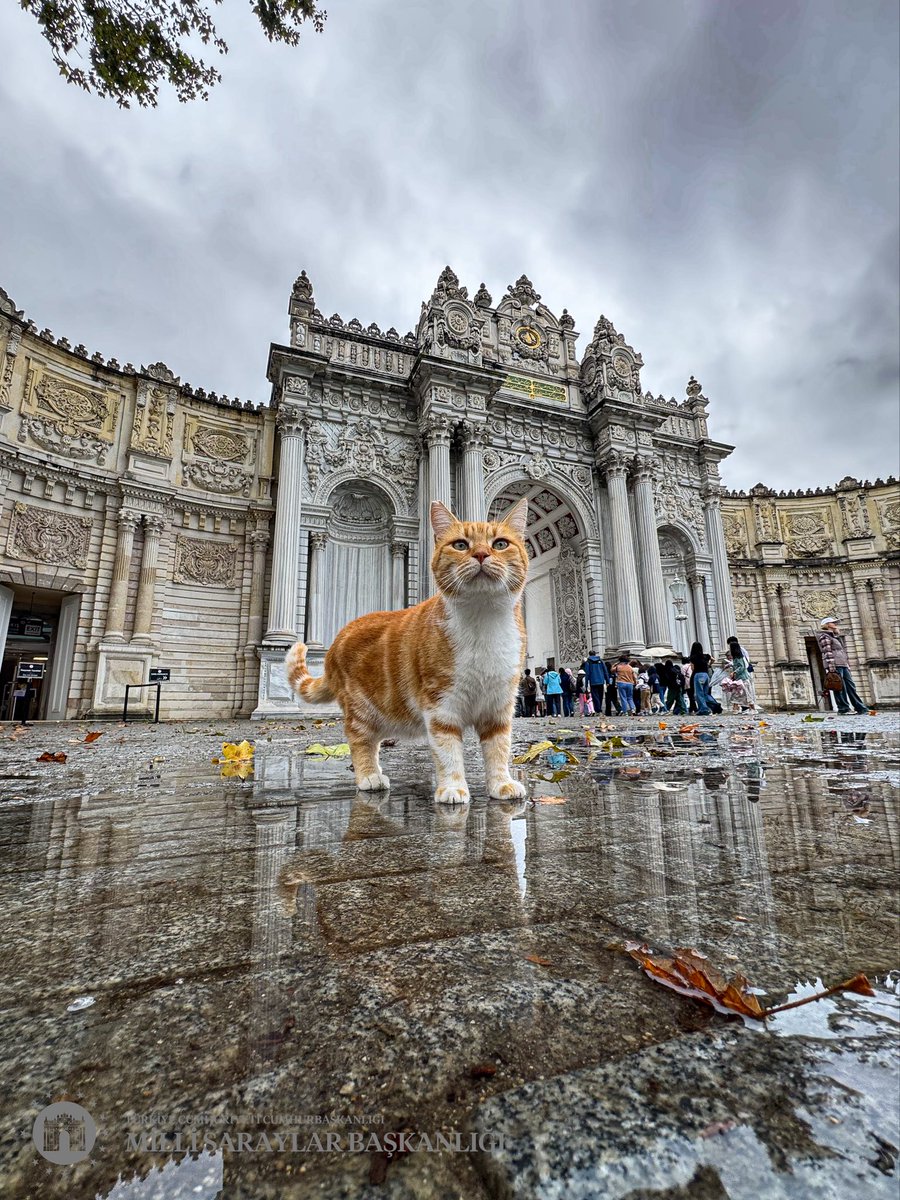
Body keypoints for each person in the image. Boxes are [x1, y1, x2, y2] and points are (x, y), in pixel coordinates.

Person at [817, 617, 869, 714]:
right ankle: (843, 709)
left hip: (842, 663)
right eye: (833, 623)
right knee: (839, 687)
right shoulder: (824, 636)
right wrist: (832, 668)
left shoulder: (835, 636)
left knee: (851, 686)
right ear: (827, 624)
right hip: (835, 664)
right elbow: (827, 652)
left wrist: (847, 664)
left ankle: (861, 708)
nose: (835, 624)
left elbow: (841, 652)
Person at [687, 641, 716, 716]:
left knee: (698, 693)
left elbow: (693, 669)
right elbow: (713, 659)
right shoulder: (706, 656)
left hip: (698, 674)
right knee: (706, 693)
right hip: (706, 675)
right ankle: (714, 705)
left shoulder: (693, 657)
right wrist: (708, 665)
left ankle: (703, 709)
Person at [581, 650, 611, 717]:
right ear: (595, 654)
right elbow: (605, 670)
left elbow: (587, 673)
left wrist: (586, 685)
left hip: (593, 681)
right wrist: (607, 681)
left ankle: (598, 710)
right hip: (601, 681)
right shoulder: (600, 660)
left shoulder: (588, 662)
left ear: (589, 654)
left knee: (595, 696)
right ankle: (599, 709)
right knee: (600, 696)